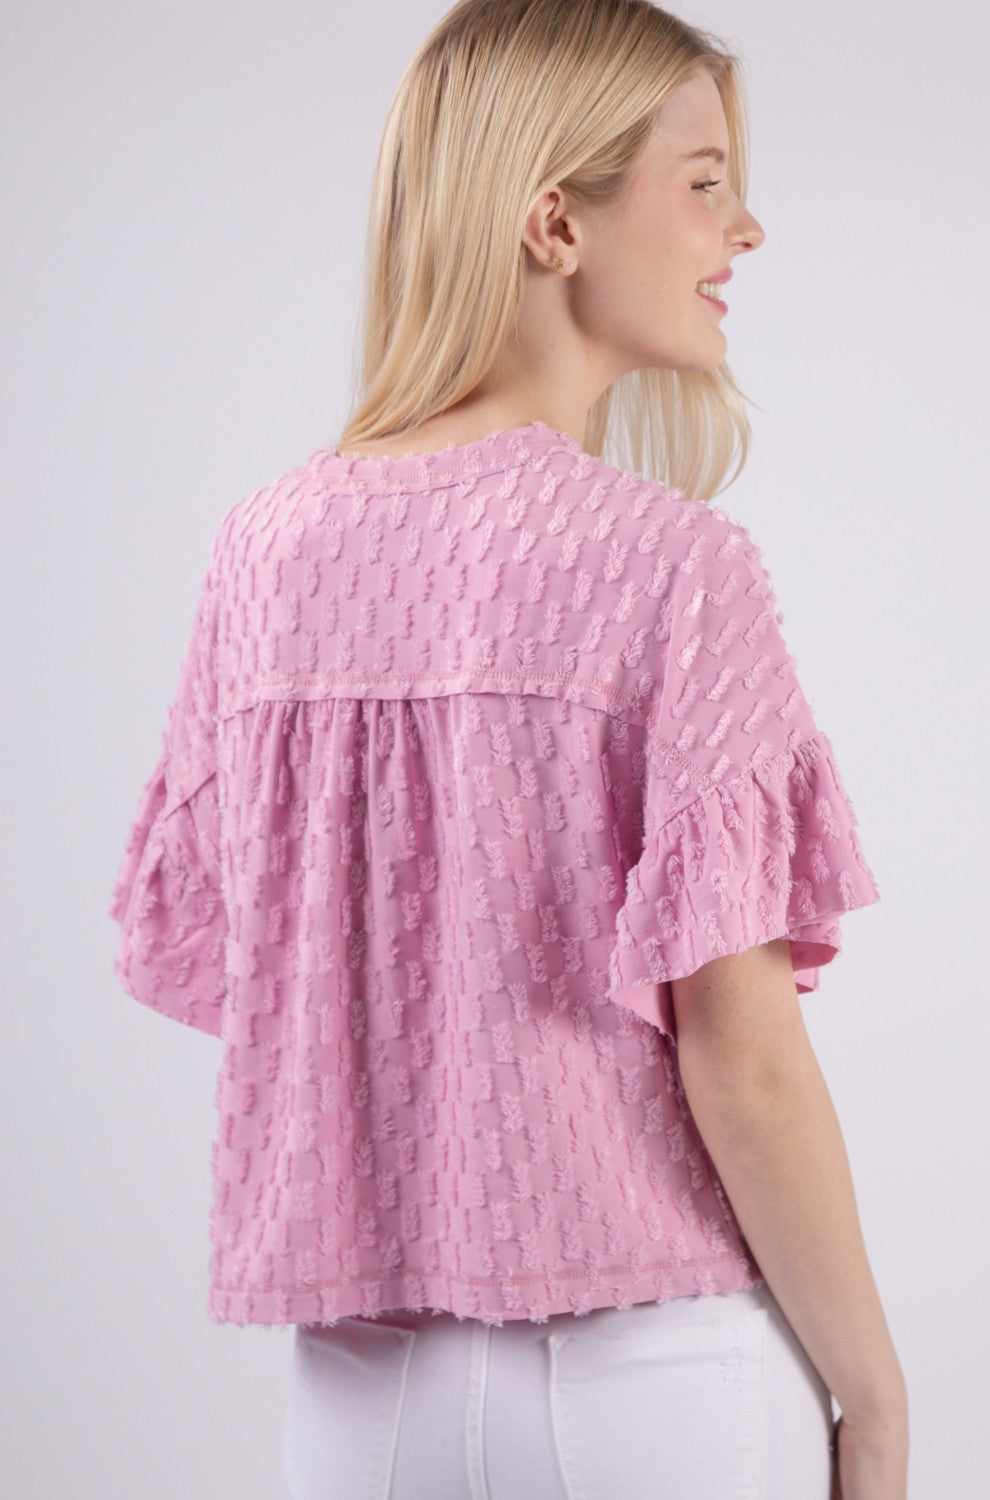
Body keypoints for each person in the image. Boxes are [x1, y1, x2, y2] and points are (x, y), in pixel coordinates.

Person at [107, 2, 908, 1496]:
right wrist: (877, 1396)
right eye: (704, 180)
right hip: (663, 1369)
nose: (746, 229)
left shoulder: (261, 552)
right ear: (556, 222)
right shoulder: (671, 565)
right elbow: (745, 1066)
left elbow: (264, 973)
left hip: (363, 1393)